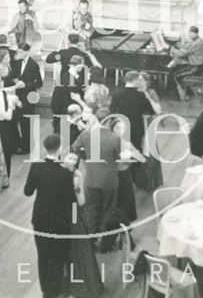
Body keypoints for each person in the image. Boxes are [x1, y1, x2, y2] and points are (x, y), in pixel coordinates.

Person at [24, 135, 76, 298]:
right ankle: (56, 289)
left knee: (43, 254)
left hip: (39, 217)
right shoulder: (65, 172)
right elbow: (71, 200)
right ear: (60, 148)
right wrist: (74, 221)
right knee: (58, 255)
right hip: (59, 220)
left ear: (45, 148)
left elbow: (28, 191)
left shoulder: (36, 166)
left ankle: (46, 289)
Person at [71, 108, 122, 234]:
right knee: (108, 209)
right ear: (109, 120)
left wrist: (86, 156)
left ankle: (91, 237)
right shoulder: (115, 138)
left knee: (92, 209)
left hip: (91, 178)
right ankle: (105, 238)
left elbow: (74, 149)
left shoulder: (86, 135)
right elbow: (120, 158)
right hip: (109, 179)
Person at [62, 152, 103, 298]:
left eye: (74, 159)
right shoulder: (63, 174)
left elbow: (81, 201)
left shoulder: (77, 175)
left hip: (74, 213)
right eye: (70, 158)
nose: (72, 161)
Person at [111, 119, 147, 223]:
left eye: (122, 128)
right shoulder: (108, 142)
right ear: (112, 128)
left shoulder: (126, 142)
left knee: (125, 206)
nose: (120, 131)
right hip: (112, 176)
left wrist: (132, 153)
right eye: (117, 128)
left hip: (124, 176)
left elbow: (142, 159)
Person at [109, 70, 156, 151]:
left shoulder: (116, 94)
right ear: (134, 80)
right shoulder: (141, 95)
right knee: (136, 150)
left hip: (121, 127)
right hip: (137, 128)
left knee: (121, 150)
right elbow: (151, 111)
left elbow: (112, 111)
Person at [133, 71, 163, 192]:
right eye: (137, 80)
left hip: (147, 124)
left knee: (148, 151)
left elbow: (158, 110)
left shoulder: (151, 93)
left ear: (146, 81)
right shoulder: (133, 92)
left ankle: (149, 182)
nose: (138, 82)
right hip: (135, 123)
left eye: (140, 80)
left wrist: (147, 96)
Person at [11, 42, 43, 152]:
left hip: (29, 96)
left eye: (21, 52)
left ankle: (27, 147)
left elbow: (39, 83)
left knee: (26, 122)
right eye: (18, 51)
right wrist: (15, 80)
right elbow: (15, 75)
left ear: (27, 52)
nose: (18, 53)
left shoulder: (33, 65)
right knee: (17, 120)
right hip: (18, 95)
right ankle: (20, 142)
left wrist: (25, 85)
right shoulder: (18, 62)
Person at [0, 70, 21, 177]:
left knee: (6, 154)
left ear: (2, 83)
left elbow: (11, 116)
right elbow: (8, 116)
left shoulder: (4, 94)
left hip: (5, 129)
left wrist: (15, 102)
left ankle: (4, 177)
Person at [168, 25, 203, 100]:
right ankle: (188, 91)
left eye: (189, 33)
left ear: (193, 33)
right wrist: (183, 46)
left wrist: (172, 49)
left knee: (175, 75)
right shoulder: (200, 40)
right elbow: (191, 47)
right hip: (201, 66)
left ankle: (183, 96)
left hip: (196, 68)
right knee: (177, 68)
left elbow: (181, 54)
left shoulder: (195, 43)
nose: (188, 35)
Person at [51, 55, 87, 132]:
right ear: (75, 65)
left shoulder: (76, 77)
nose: (83, 66)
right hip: (67, 114)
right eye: (81, 64)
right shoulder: (65, 80)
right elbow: (57, 100)